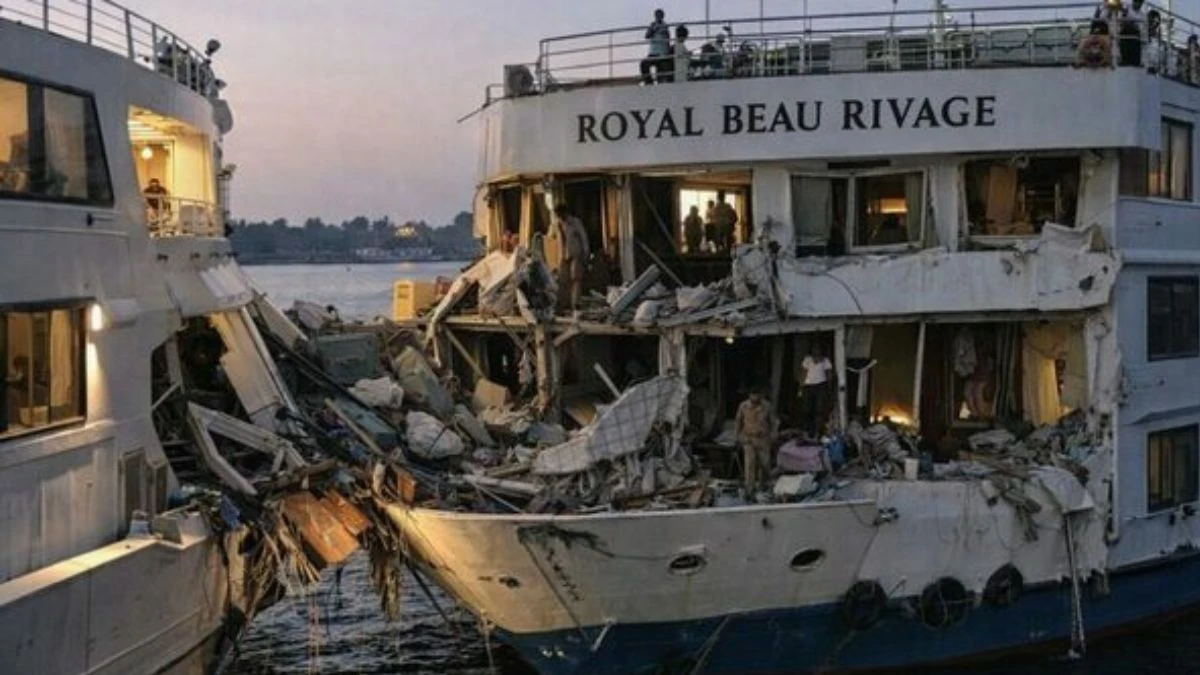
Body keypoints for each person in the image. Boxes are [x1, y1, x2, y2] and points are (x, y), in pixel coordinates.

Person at [735, 389, 775, 494]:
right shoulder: (743, 406)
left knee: (764, 464)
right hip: (749, 438)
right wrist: (737, 436)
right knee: (749, 464)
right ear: (750, 395)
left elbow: (773, 422)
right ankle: (749, 489)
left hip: (763, 439)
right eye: (753, 395)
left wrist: (773, 435)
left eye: (757, 395)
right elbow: (738, 421)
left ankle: (763, 486)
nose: (755, 397)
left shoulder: (767, 406)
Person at [553, 204, 590, 310]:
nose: (559, 217)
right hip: (563, 256)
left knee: (576, 279)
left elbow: (584, 238)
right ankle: (564, 302)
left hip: (575, 254)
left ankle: (575, 302)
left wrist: (586, 254)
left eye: (560, 214)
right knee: (563, 280)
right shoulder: (558, 225)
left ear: (565, 212)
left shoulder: (575, 223)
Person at [799, 344, 833, 438]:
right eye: (814, 349)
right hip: (808, 386)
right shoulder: (807, 359)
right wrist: (800, 387)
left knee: (819, 410)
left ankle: (817, 432)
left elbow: (829, 375)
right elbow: (803, 373)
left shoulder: (825, 360)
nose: (816, 350)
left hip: (820, 386)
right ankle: (806, 431)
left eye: (818, 349)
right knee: (807, 409)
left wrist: (829, 388)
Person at [640, 9, 671, 85]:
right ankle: (649, 82)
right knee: (644, 64)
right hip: (653, 52)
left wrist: (668, 52)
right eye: (657, 15)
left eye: (660, 15)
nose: (659, 17)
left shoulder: (665, 26)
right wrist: (654, 29)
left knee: (660, 70)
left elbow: (668, 39)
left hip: (662, 53)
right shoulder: (652, 25)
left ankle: (659, 84)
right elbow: (647, 36)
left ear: (663, 16)